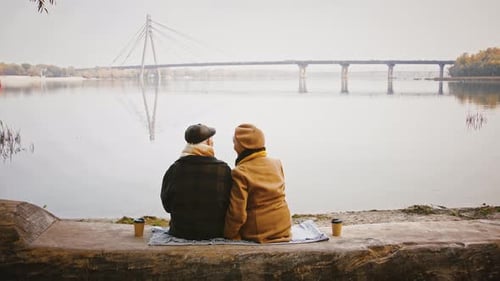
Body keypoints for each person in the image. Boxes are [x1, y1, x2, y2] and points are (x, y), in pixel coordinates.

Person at [161, 123, 232, 240]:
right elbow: (229, 204)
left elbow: (167, 206)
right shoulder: (223, 169)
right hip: (214, 233)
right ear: (209, 142)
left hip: (180, 232)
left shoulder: (174, 169)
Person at [224, 123, 292, 243]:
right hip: (284, 227)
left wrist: (229, 234)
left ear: (242, 145)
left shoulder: (240, 172)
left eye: (235, 143)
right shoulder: (277, 163)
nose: (234, 146)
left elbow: (237, 213)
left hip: (259, 231)